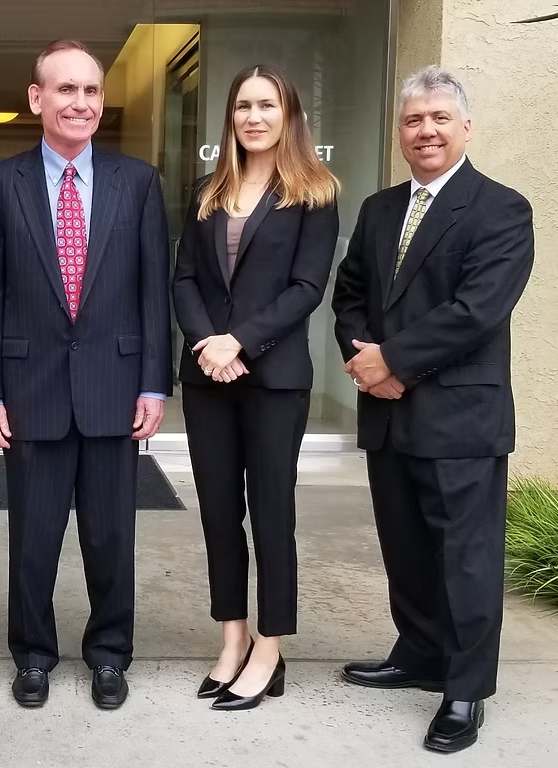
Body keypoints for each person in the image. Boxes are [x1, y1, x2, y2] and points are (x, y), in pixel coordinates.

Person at [331, 65, 534, 754]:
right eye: (414, 120)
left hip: (459, 418)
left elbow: (476, 311)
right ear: (400, 132)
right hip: (389, 413)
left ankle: (466, 688)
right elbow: (350, 291)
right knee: (407, 549)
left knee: (466, 558)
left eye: (439, 118)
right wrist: (364, 358)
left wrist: (393, 360)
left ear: (465, 127)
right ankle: (419, 653)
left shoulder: (502, 209)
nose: (425, 131)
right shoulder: (379, 209)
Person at [0, 39, 171, 710]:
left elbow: (152, 293)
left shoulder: (137, 183)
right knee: (33, 538)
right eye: (65, 89)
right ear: (37, 99)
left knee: (112, 537)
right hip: (30, 393)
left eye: (90, 90)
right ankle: (32, 655)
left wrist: (153, 382)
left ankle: (110, 654)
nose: (79, 102)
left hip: (115, 389)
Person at [171, 64, 340, 711]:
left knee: (272, 514)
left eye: (267, 104)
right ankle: (232, 639)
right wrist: (207, 344)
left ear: (288, 113)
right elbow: (183, 278)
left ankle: (270, 649)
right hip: (209, 377)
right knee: (219, 514)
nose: (254, 116)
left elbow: (307, 288)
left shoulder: (315, 192)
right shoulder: (206, 189)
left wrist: (237, 341)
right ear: (231, 116)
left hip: (273, 379)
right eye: (243, 105)